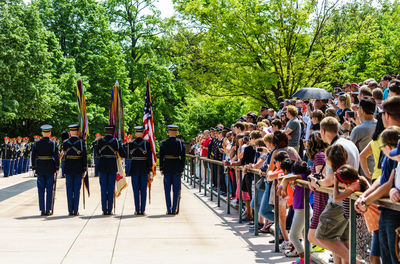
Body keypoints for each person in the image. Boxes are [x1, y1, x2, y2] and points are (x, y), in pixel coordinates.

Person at [96, 124, 126, 215]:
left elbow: (97, 153)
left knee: (103, 188)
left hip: (102, 166)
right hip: (112, 166)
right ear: (113, 132)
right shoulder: (116, 141)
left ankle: (104, 209)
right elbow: (123, 154)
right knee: (111, 187)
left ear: (105, 131)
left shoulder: (100, 141)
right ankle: (110, 209)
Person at [31, 125, 60, 216]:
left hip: (40, 168)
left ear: (42, 133)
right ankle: (48, 209)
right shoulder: (53, 143)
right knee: (49, 190)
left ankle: (42, 210)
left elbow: (33, 157)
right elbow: (56, 156)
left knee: (41, 190)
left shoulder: (36, 143)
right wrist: (57, 166)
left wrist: (34, 167)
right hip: (50, 168)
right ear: (50, 133)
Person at [159, 125, 186, 215]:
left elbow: (161, 156)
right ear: (176, 132)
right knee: (176, 189)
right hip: (177, 167)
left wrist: (161, 168)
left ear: (168, 132)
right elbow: (183, 157)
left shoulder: (164, 143)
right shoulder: (180, 143)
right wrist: (182, 169)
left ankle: (169, 209)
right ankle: (174, 209)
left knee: (167, 190)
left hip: (167, 167)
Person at [62, 124, 87, 216]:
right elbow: (84, 157)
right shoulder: (81, 142)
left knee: (69, 189)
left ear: (70, 132)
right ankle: (75, 210)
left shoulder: (65, 142)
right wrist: (84, 168)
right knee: (77, 189)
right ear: (77, 132)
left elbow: (63, 155)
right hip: (78, 168)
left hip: (68, 168)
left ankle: (70, 210)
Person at [127, 126, 153, 215]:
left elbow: (127, 156)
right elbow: (149, 158)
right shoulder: (146, 144)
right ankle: (142, 210)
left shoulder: (131, 144)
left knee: (135, 190)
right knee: (143, 190)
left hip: (134, 168)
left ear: (135, 134)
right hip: (144, 168)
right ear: (142, 134)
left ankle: (137, 209)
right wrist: (150, 170)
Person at [349, 97, 377, 176]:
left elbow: (350, 148)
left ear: (362, 110)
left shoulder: (358, 130)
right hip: (378, 167)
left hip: (364, 169)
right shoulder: (380, 125)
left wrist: (346, 131)